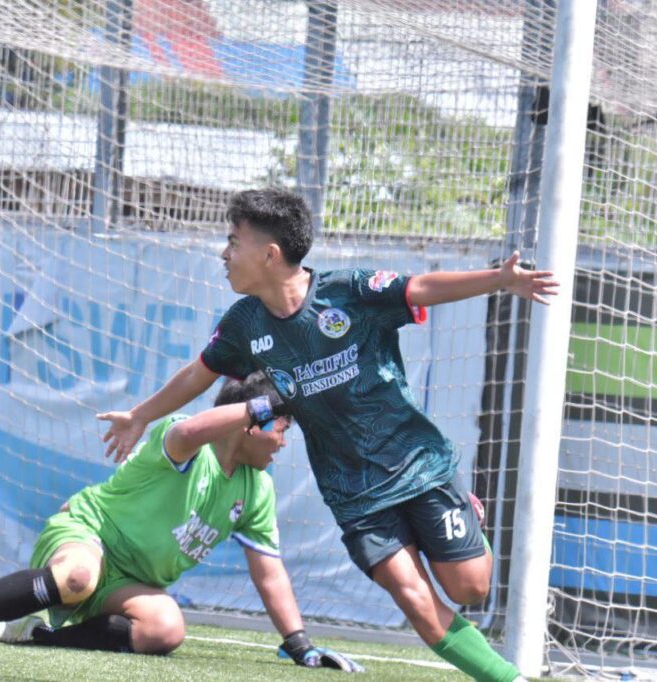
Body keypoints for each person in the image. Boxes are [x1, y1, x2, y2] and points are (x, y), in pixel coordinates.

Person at [98, 188, 559, 681]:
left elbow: (420, 287)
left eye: (233, 241)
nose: (224, 253)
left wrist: (500, 279)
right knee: (415, 600)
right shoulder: (243, 324)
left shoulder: (349, 291)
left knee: (469, 588)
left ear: (270, 254)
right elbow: (198, 374)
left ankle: (466, 516)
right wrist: (141, 415)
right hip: (353, 493)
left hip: (418, 465)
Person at [0, 371, 362, 672]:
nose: (283, 443)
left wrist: (300, 644)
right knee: (78, 576)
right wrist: (262, 405)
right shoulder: (186, 442)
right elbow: (187, 430)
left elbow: (270, 571)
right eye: (281, 429)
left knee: (166, 628)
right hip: (88, 534)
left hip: (128, 582)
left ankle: (36, 635)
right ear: (250, 425)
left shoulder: (256, 489)